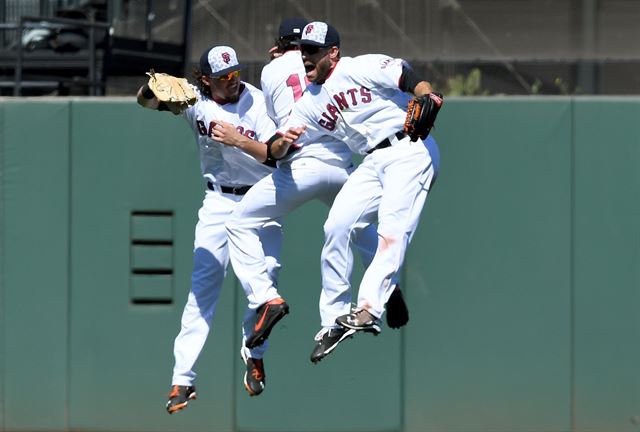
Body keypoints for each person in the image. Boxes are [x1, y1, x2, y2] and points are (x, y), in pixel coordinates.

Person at [211, 18, 409, 365]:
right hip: (343, 166)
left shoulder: (273, 71)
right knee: (357, 227)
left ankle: (265, 297)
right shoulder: (330, 68)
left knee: (238, 223)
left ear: (281, 46)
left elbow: (278, 139)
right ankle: (386, 287)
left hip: (300, 167)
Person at [266, 21, 441, 339]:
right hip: (372, 161)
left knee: (391, 231)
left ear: (332, 53)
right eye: (302, 49)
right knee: (337, 226)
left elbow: (405, 74)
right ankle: (334, 317)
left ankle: (370, 308)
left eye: (312, 51)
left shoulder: (361, 66)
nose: (305, 56)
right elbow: (277, 147)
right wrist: (282, 142)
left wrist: (427, 96)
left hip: (410, 148)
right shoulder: (309, 102)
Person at [136, 45, 282, 410]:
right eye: (224, 78)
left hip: (261, 199)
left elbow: (274, 154)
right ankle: (182, 379)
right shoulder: (195, 102)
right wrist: (154, 90)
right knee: (202, 290)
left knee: (267, 280)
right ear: (205, 80)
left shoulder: (260, 103)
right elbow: (146, 102)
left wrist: (239, 140)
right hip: (218, 201)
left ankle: (254, 354)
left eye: (235, 73)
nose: (233, 81)